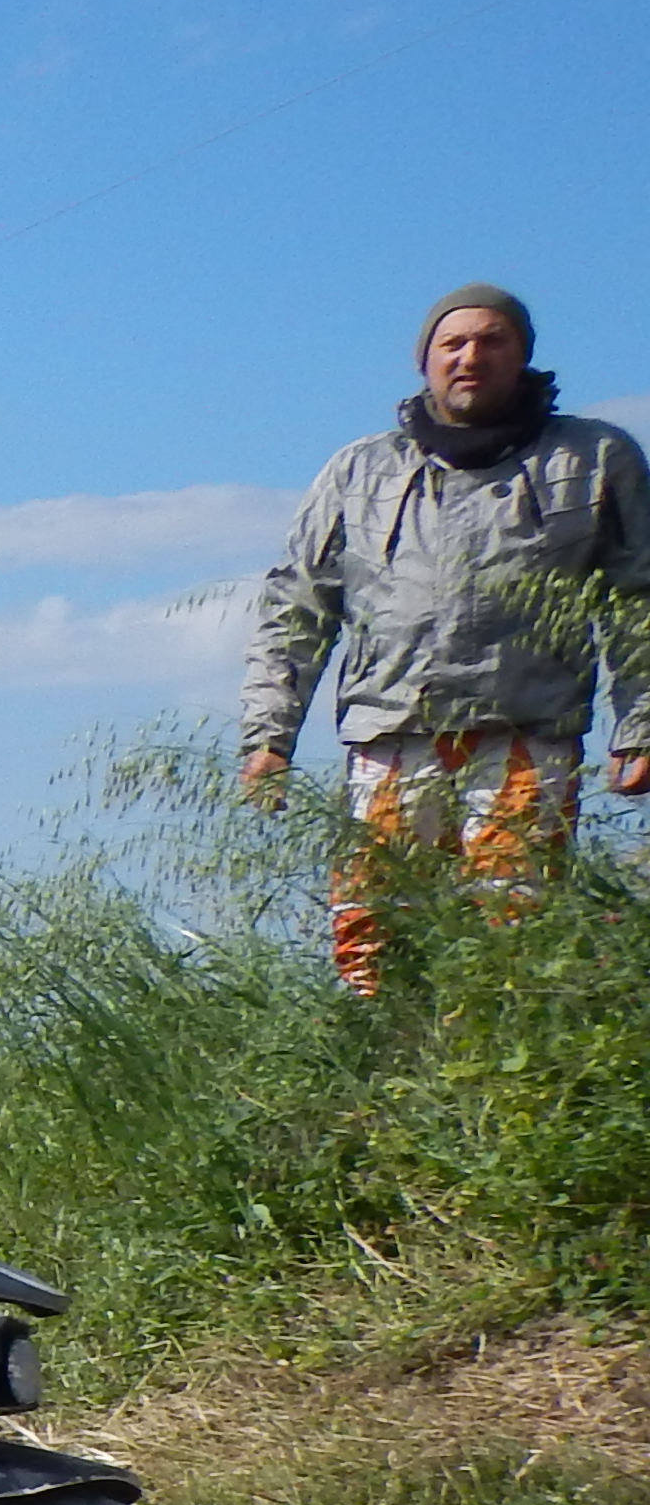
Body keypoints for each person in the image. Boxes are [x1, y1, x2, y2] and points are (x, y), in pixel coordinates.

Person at [242, 284, 650, 993]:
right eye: (452, 344)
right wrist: (267, 737)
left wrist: (640, 725)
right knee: (373, 933)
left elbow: (637, 598)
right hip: (391, 736)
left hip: (527, 733)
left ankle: (505, 1088)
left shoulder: (593, 457)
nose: (471, 358)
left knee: (516, 936)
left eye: (492, 341)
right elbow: (297, 607)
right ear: (423, 359)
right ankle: (388, 1087)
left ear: (523, 355)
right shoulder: (360, 470)